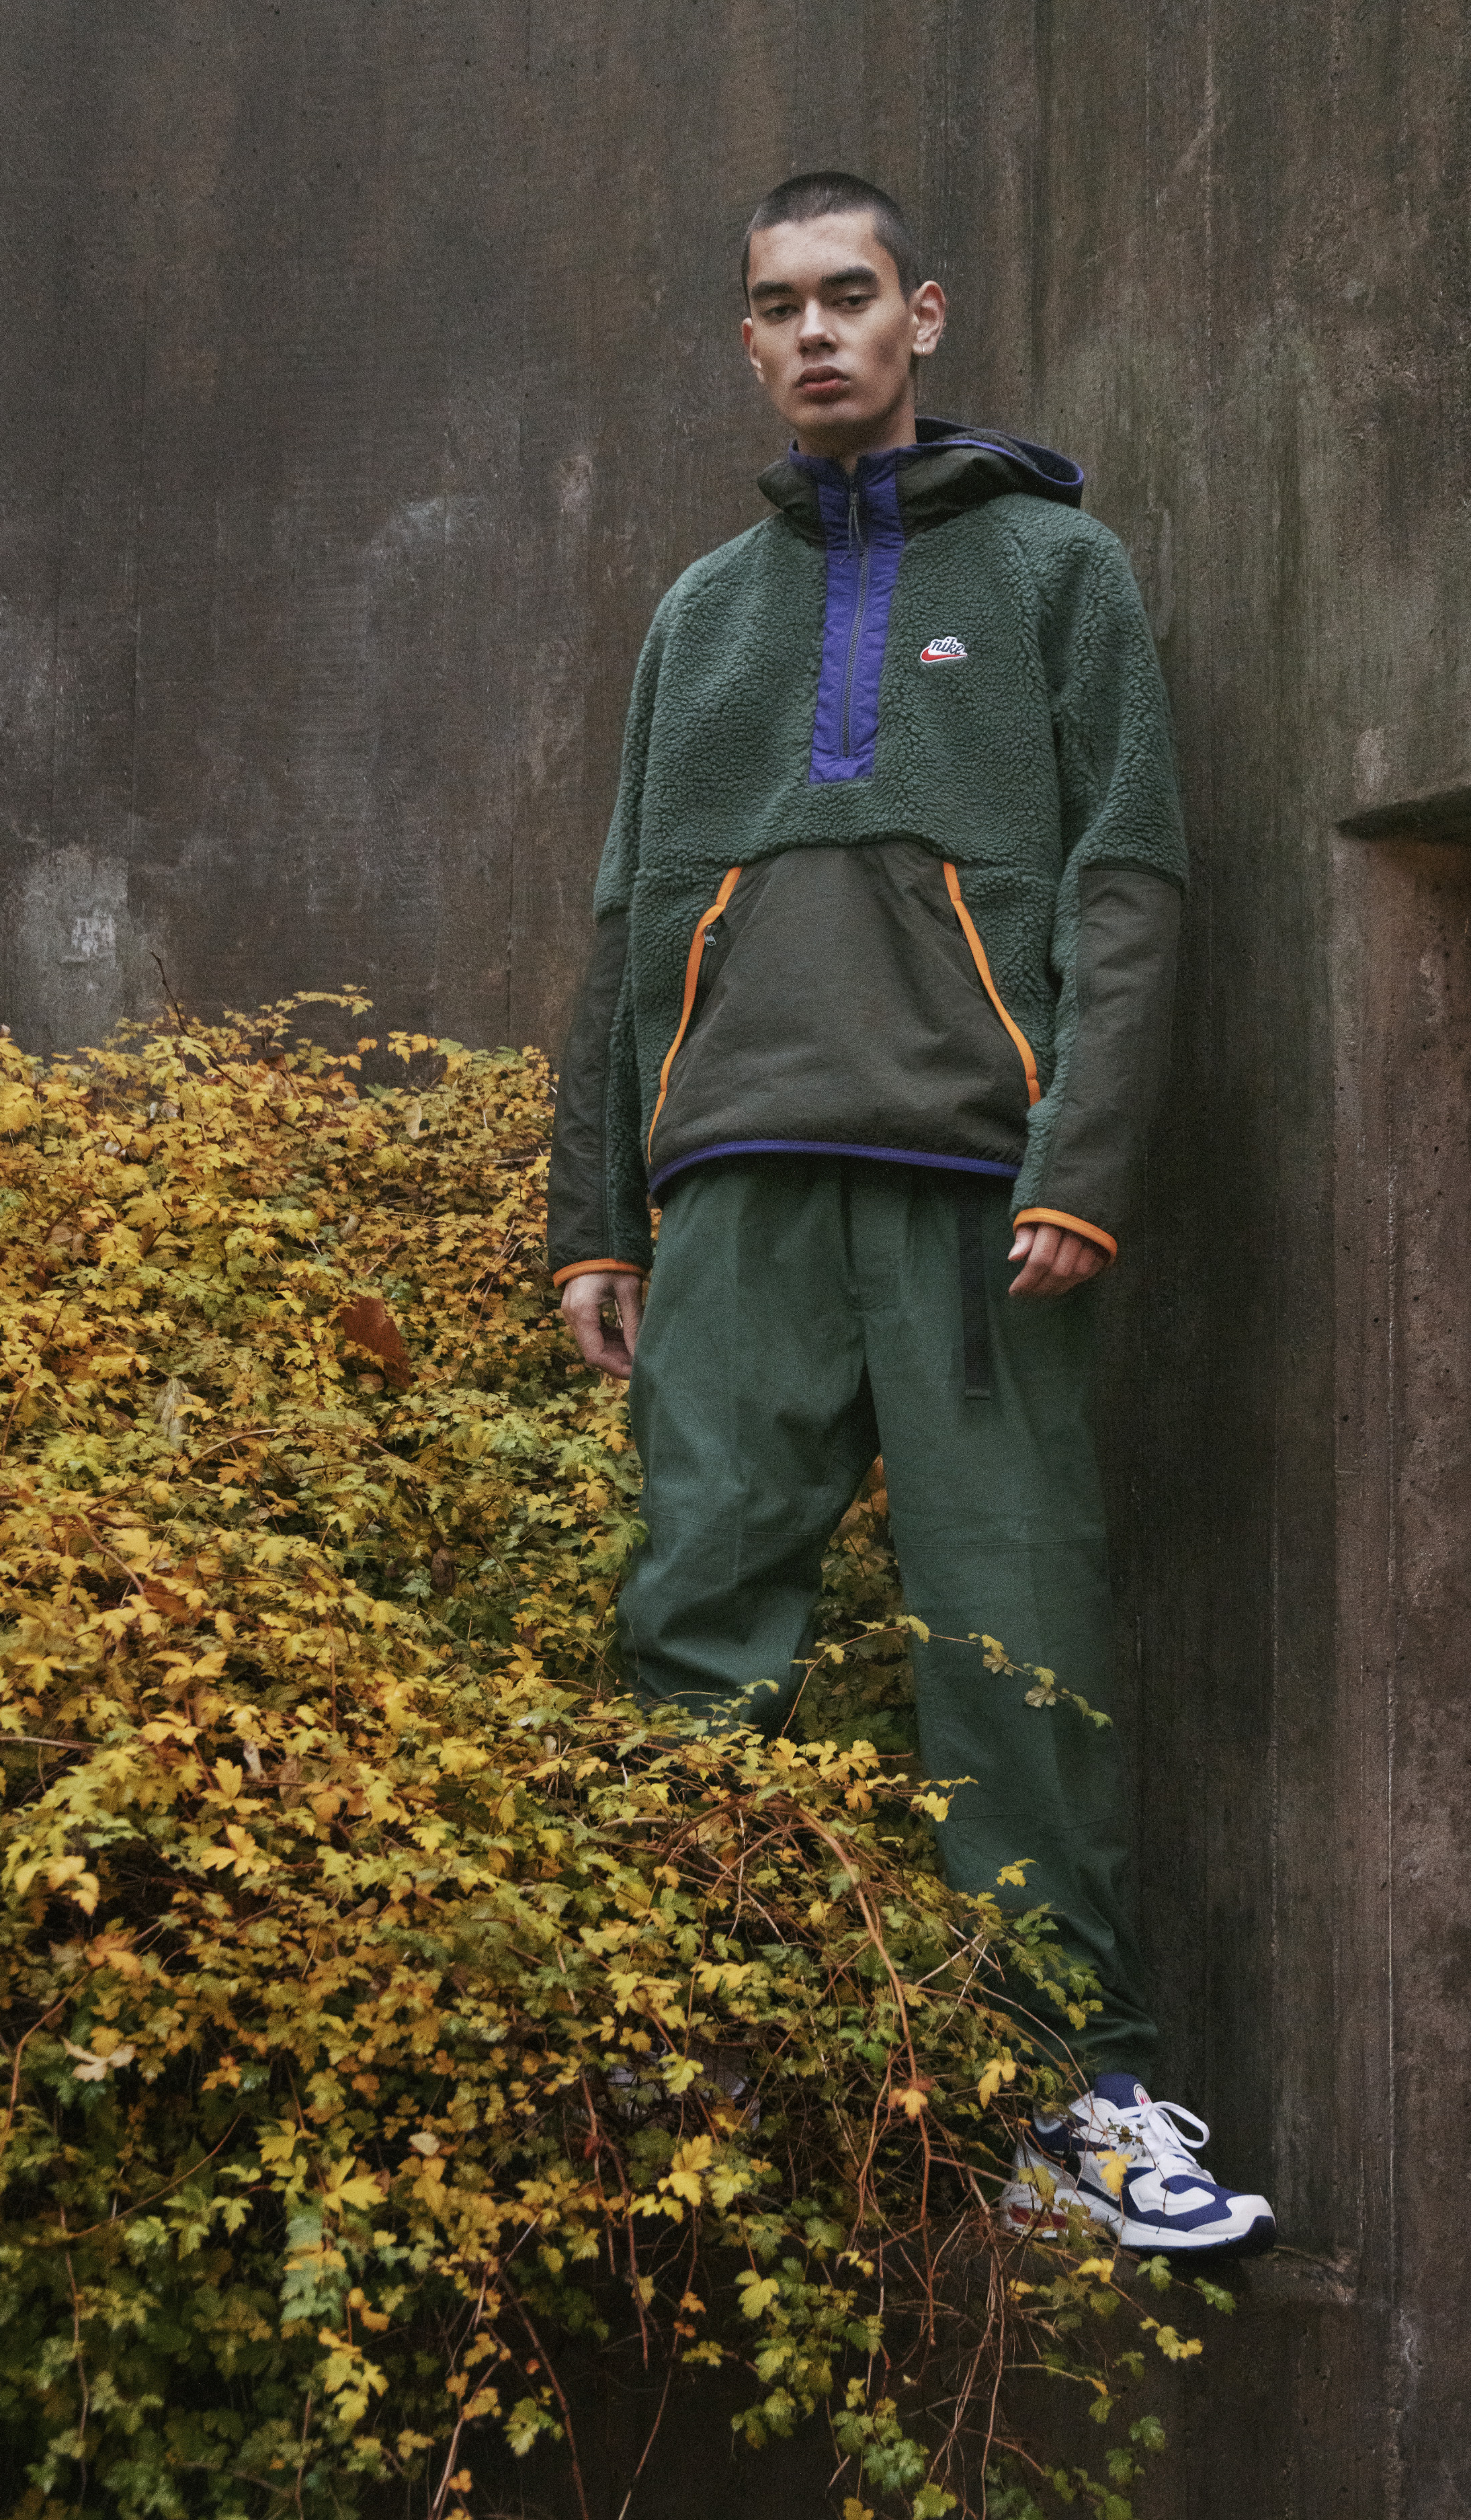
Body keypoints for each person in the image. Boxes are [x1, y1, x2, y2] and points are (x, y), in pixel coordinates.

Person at [546, 171, 1273, 2257]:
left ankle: (1075, 2106)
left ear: (923, 314)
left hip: (980, 1194)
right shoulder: (701, 611)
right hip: (735, 1185)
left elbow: (1129, 881)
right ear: (746, 337)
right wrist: (595, 1218)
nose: (815, 332)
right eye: (778, 305)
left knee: (1012, 1637)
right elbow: (628, 918)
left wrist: (1086, 1164)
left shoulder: (1055, 568)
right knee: (697, 1615)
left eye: (848, 295)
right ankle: (655, 2075)